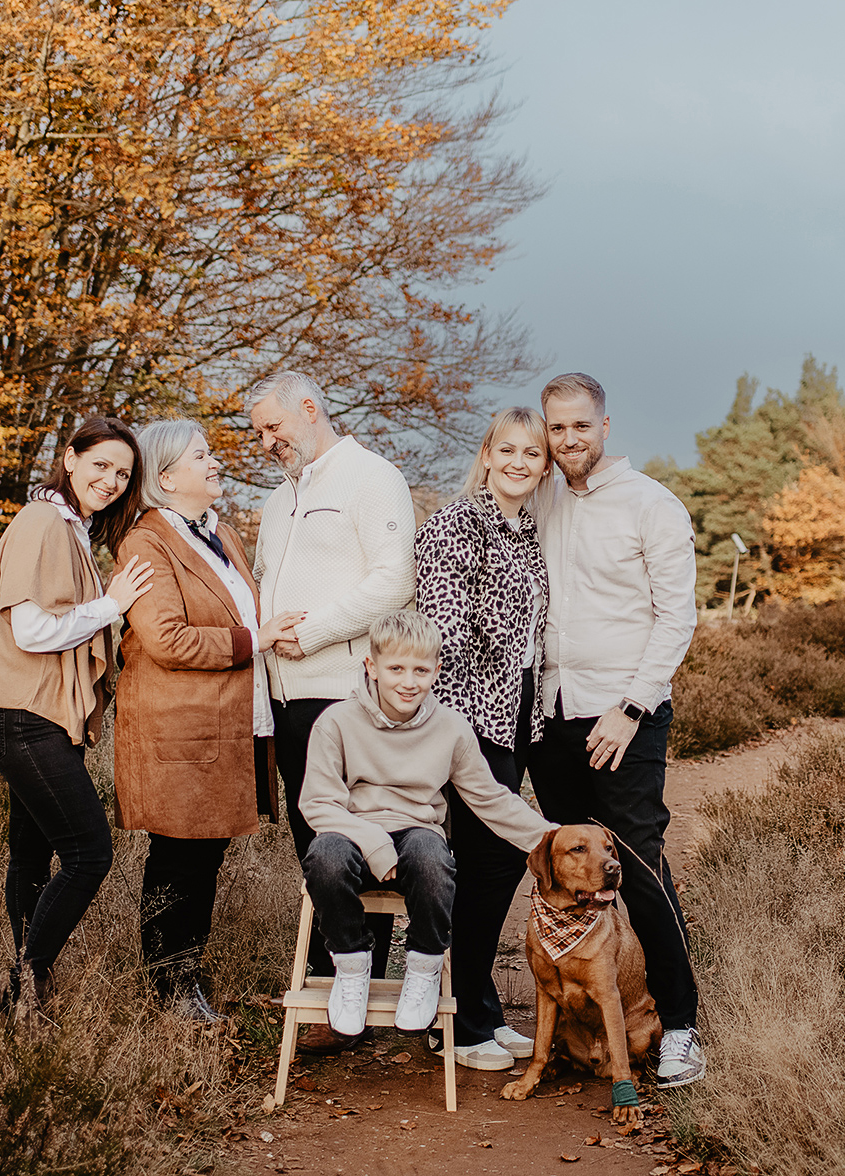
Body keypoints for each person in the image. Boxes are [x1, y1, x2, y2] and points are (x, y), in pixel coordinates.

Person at [530, 373, 706, 1087]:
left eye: (580, 426)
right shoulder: (537, 498)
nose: (568, 440)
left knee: (634, 867)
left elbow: (678, 617)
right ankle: (580, 1017)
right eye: (556, 428)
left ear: (605, 427)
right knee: (562, 872)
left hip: (625, 717)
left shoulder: (651, 505)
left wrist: (631, 706)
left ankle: (682, 1027)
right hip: (552, 715)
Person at [0, 415, 154, 1020]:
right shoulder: (44, 522)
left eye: (123, 474)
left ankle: (26, 994)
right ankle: (25, 982)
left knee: (31, 853)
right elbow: (32, 629)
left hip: (30, 711)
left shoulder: (70, 526)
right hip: (25, 713)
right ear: (69, 458)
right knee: (89, 852)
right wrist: (111, 607)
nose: (112, 480)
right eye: (100, 465)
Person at [112, 419, 305, 1020]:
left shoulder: (221, 536)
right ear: (166, 478)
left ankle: (186, 976)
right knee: (178, 859)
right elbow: (167, 639)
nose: (215, 462)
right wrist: (257, 639)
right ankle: (168, 989)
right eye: (202, 456)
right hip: (179, 732)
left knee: (206, 859)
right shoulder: (147, 543)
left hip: (228, 727)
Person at [246, 371, 416, 1050]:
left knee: (349, 839)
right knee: (311, 841)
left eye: (273, 426)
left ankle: (355, 989)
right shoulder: (277, 498)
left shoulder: (373, 477)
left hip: (343, 691)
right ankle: (333, 980)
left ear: (310, 409)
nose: (265, 441)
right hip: (287, 699)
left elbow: (394, 580)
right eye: (258, 431)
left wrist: (310, 632)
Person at [299, 609, 556, 1040]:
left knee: (434, 859)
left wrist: (551, 837)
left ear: (437, 670)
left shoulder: (451, 728)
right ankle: (351, 965)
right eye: (395, 668)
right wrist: (376, 845)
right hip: (353, 831)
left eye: (421, 669)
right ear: (372, 667)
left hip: (418, 831)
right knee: (324, 856)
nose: (408, 681)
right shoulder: (336, 722)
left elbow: (489, 797)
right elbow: (319, 803)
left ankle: (423, 967)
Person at [413, 406, 552, 1071]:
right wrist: (457, 733)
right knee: (487, 858)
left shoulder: (526, 532)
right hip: (467, 717)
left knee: (494, 861)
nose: (520, 462)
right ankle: (456, 1020)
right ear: (488, 454)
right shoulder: (456, 523)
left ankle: (478, 1004)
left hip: (514, 711)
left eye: (534, 453)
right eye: (509, 450)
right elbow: (442, 634)